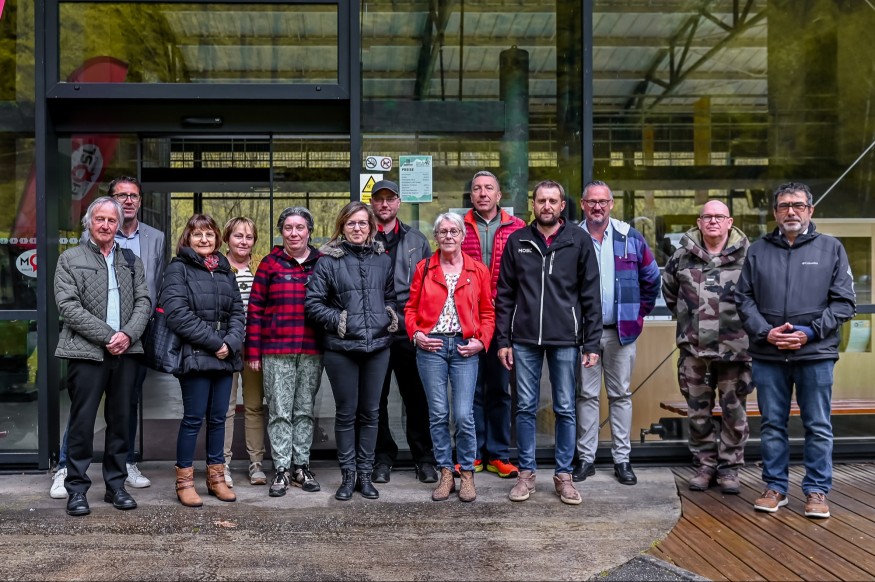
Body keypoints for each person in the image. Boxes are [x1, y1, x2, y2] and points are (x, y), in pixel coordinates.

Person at [736, 182, 855, 518]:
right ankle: (775, 487)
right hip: (769, 354)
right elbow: (743, 299)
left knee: (817, 425)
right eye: (784, 205)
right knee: (772, 425)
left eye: (798, 205)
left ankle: (817, 490)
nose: (791, 211)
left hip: (814, 354)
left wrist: (809, 332)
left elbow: (844, 303)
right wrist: (767, 333)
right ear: (775, 212)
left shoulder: (831, 248)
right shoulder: (758, 250)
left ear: (810, 210)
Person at [51, 177, 165, 499]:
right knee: (82, 423)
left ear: (118, 224)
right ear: (89, 223)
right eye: (99, 219)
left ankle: (115, 486)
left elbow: (145, 301)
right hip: (87, 353)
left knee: (120, 422)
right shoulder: (70, 259)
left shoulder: (131, 260)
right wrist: (108, 336)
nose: (105, 225)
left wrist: (127, 335)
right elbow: (68, 306)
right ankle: (76, 489)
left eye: (111, 220)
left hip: (127, 353)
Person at [495, 180, 602, 505]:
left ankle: (564, 475)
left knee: (565, 408)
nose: (547, 206)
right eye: (541, 200)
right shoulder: (518, 241)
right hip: (524, 338)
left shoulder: (578, 240)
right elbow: (505, 294)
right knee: (525, 407)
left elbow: (591, 294)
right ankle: (526, 474)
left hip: (566, 338)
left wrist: (591, 343)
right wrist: (503, 340)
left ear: (562, 206)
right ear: (533, 204)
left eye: (553, 201)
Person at [305, 201, 398, 501]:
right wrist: (341, 321)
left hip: (377, 347)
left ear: (371, 227)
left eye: (362, 223)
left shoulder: (382, 260)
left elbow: (390, 296)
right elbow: (313, 304)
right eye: (351, 223)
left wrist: (389, 316)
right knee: (346, 414)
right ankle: (348, 476)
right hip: (342, 347)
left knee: (371, 413)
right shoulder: (327, 262)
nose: (357, 228)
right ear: (342, 227)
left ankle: (365, 476)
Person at [662, 200, 753, 494]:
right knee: (698, 413)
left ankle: (729, 469)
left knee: (734, 413)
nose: (713, 221)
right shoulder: (682, 256)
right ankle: (705, 465)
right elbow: (670, 293)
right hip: (694, 349)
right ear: (699, 222)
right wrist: (691, 322)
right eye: (707, 217)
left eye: (719, 217)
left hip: (734, 349)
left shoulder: (749, 256)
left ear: (730, 222)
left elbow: (759, 297)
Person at [574, 180, 660, 486]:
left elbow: (651, 278)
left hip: (620, 333)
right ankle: (586, 459)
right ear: (583, 205)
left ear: (611, 204)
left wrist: (637, 314)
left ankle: (622, 460)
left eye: (603, 201)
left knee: (620, 395)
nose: (597, 207)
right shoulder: (572, 237)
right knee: (586, 395)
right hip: (583, 335)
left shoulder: (629, 237)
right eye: (591, 201)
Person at [405, 213, 495, 502]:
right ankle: (446, 472)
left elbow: (487, 312)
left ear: (462, 236)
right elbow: (410, 309)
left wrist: (481, 341)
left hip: (464, 347)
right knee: (438, 414)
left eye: (453, 231)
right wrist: (416, 334)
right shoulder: (424, 268)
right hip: (431, 347)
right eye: (442, 231)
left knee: (464, 415)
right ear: (436, 237)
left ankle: (466, 472)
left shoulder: (477, 270)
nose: (448, 236)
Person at [161, 214, 246, 507]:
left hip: (224, 357)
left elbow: (238, 312)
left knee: (219, 419)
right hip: (195, 356)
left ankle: (216, 479)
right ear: (188, 238)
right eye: (197, 234)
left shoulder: (224, 269)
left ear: (217, 239)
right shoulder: (178, 269)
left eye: (209, 234)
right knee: (193, 419)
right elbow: (177, 315)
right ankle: (184, 482)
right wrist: (216, 344)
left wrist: (230, 343)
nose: (204, 239)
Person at [246, 207, 324, 497]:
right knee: (279, 412)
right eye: (288, 228)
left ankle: (301, 467)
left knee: (304, 410)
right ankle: (281, 468)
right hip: (277, 349)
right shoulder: (270, 264)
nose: (294, 233)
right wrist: (253, 352)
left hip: (311, 349)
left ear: (309, 231)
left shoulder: (322, 263)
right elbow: (255, 310)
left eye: (300, 227)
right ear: (281, 232)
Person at [370, 180, 437, 484]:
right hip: (374, 330)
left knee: (416, 398)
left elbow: (429, 287)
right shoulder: (363, 236)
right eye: (379, 199)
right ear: (372, 203)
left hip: (409, 329)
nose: (384, 204)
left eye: (390, 199)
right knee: (376, 399)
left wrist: (422, 325)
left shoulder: (416, 240)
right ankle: (383, 458)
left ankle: (424, 458)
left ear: (398, 203)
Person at [461, 170, 525, 478]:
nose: (483, 193)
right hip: (469, 318)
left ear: (499, 196)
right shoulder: (459, 227)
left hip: (504, 318)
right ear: (471, 196)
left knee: (500, 389)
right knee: (471, 389)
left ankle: (498, 454)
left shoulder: (518, 228)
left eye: (489, 188)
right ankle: (473, 454)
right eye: (477, 188)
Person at [221, 217, 267, 488]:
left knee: (254, 406)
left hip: (254, 347)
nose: (243, 241)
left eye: (249, 237)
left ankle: (256, 462)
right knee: (225, 407)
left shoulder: (261, 266)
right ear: (227, 238)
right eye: (238, 236)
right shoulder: (218, 266)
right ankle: (222, 464)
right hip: (226, 346)